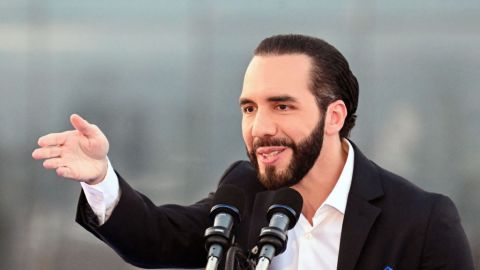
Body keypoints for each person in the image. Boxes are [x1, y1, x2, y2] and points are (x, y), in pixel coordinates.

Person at [32, 34, 474, 269]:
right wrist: (100, 178)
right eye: (249, 108)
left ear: (334, 116)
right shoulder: (242, 192)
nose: (260, 127)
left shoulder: (422, 221)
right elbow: (157, 239)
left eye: (282, 105)